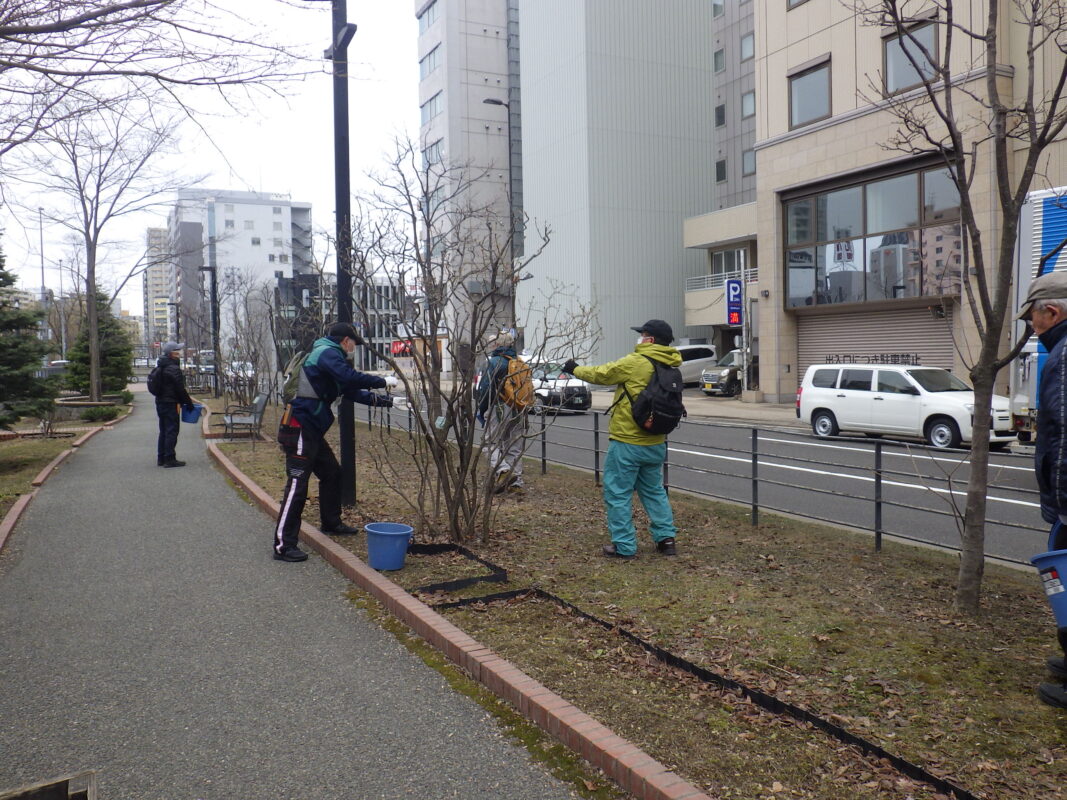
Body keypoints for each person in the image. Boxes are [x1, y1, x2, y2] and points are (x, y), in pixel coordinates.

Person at [273, 323, 393, 563]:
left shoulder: (330, 358)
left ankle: (331, 522)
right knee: (297, 485)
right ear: (346, 340)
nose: (353, 348)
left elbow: (350, 391)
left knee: (332, 473)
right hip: (299, 428)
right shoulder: (326, 353)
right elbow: (348, 377)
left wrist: (388, 402)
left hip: (311, 430)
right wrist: (381, 380)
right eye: (353, 344)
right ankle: (283, 545)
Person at [561, 320, 680, 558]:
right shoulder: (672, 365)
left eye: (643, 334)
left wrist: (574, 368)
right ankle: (666, 540)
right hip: (656, 441)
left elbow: (602, 374)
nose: (640, 338)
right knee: (654, 491)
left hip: (628, 441)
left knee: (618, 493)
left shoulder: (635, 362)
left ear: (651, 339)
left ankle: (624, 546)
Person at [1017, 271, 1067, 709]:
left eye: (1033, 319)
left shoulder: (1066, 356)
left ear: (1051, 312)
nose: (1031, 328)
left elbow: (1065, 434)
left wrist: (1062, 507)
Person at [475, 330, 528, 494]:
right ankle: (516, 482)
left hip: (499, 407)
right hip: (519, 408)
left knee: (489, 442)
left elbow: (485, 389)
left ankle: (504, 470)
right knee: (513, 446)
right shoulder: (519, 362)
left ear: (497, 344)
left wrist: (482, 410)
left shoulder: (494, 362)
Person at [154, 341, 196, 468]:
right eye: (177, 351)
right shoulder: (173, 368)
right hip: (170, 403)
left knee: (164, 430)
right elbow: (180, 388)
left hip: (160, 402)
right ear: (172, 353)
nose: (180, 353)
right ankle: (170, 459)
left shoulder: (161, 365)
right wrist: (188, 403)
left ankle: (161, 458)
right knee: (172, 430)